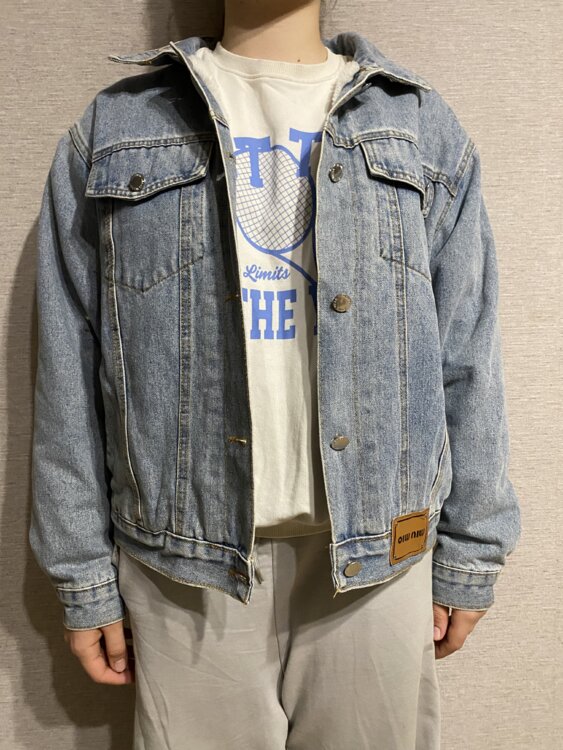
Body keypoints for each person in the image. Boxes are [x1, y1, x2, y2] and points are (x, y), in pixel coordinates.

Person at [29, 0, 522, 747]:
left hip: (380, 562)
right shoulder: (117, 128)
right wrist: (83, 575)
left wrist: (471, 551)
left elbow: (466, 353)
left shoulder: (420, 127)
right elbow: (68, 367)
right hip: (181, 566)